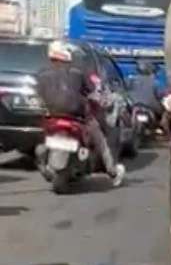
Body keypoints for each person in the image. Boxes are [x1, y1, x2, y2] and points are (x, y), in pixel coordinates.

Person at [35, 41, 125, 186]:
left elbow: (37, 94)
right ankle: (112, 172)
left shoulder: (41, 73)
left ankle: (44, 163)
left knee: (41, 138)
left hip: (52, 117)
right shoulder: (78, 71)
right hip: (76, 116)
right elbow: (94, 91)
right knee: (101, 141)